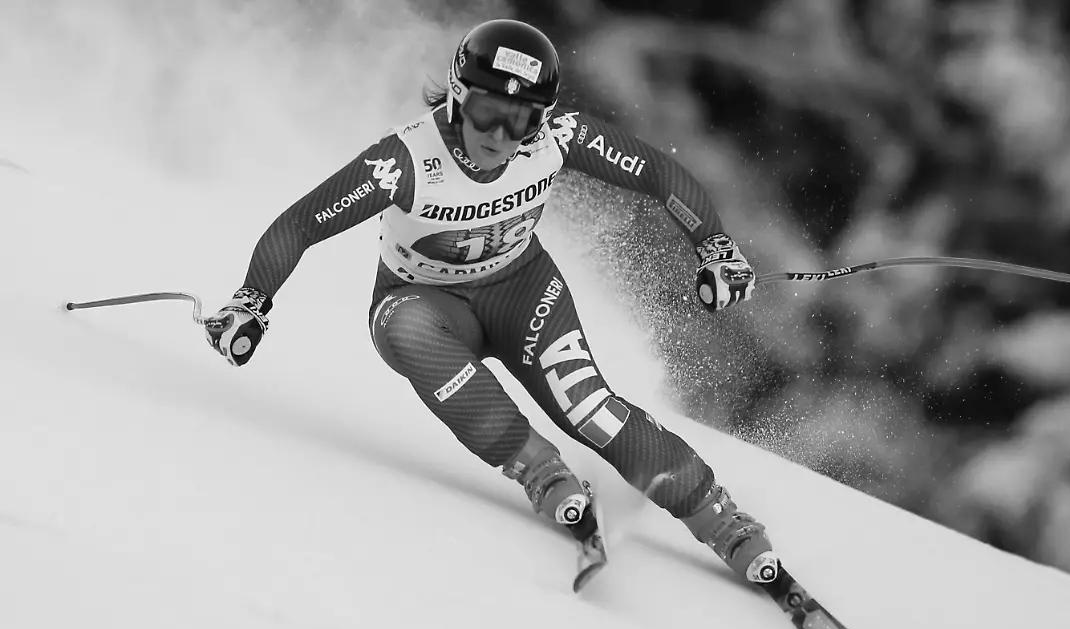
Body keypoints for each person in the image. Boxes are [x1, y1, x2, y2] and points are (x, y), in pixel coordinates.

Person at [204, 18, 788, 592]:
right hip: (425, 300)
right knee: (401, 329)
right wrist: (252, 301)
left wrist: (713, 244)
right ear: (458, 99)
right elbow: (303, 223)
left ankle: (720, 519)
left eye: (521, 121)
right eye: (487, 113)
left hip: (522, 293)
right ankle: (540, 470)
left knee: (588, 408)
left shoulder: (558, 139)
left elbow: (656, 172)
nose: (501, 138)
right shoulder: (406, 162)